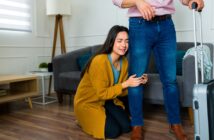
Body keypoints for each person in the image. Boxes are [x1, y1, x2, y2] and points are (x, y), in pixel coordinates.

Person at [112, 0, 204, 140]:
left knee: (170, 80)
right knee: (136, 79)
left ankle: (175, 123)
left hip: (166, 25)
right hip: (139, 25)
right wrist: (138, 2)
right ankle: (136, 125)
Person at [74, 25, 148, 139]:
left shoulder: (124, 62)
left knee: (127, 127)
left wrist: (138, 82)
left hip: (108, 100)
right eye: (120, 41)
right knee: (113, 132)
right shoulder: (99, 61)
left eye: (127, 41)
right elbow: (102, 93)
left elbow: (121, 91)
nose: (124, 45)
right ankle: (81, 121)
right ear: (111, 41)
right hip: (89, 103)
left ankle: (106, 115)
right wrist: (126, 84)